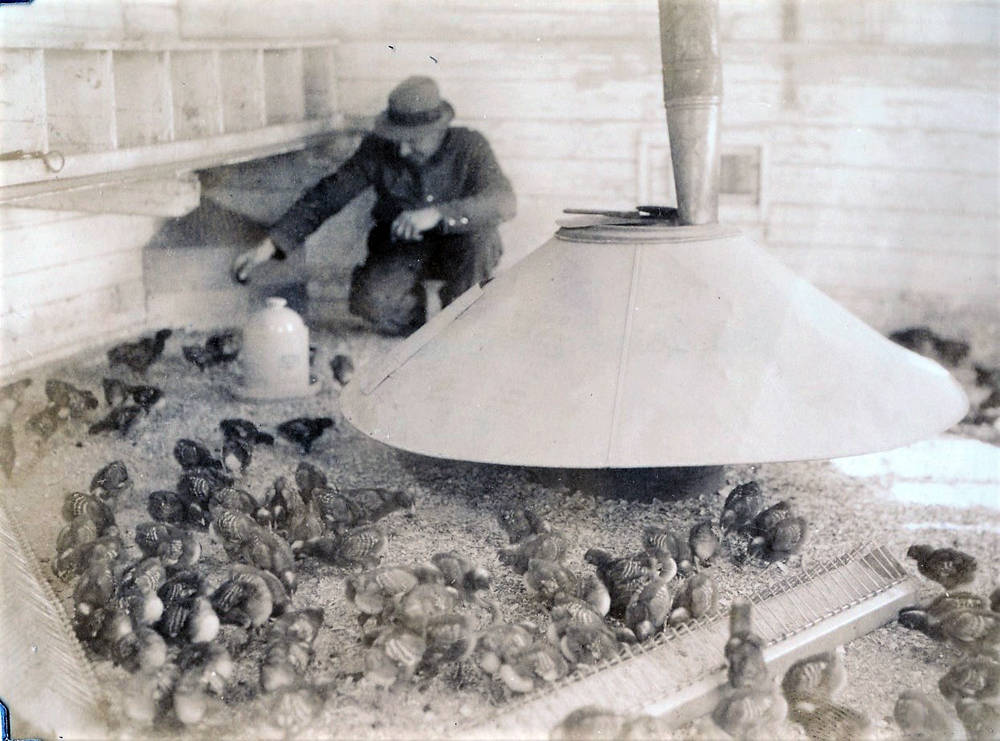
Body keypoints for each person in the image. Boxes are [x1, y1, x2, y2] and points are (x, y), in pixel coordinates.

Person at [232, 75, 516, 336]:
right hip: (401, 250)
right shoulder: (378, 149)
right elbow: (327, 196)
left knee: (483, 240)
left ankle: (461, 327)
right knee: (373, 303)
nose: (402, 150)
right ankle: (416, 333)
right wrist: (270, 244)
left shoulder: (471, 146)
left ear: (439, 131)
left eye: (412, 140)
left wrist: (438, 214)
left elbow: (504, 201)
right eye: (397, 139)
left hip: (460, 248)